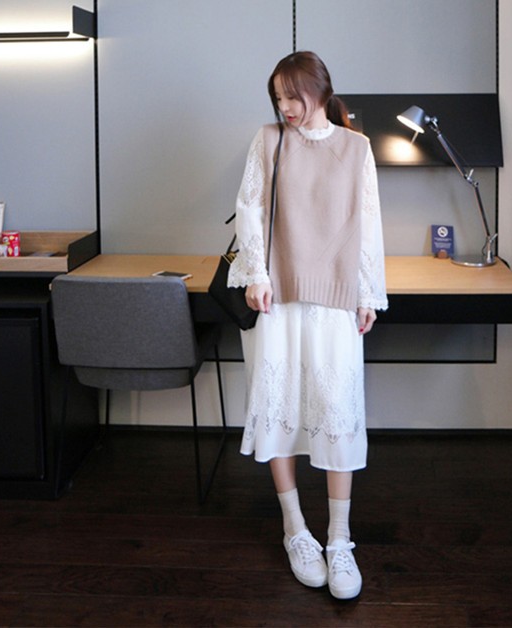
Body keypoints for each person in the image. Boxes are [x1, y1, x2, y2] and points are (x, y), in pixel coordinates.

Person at [227, 50, 388, 600]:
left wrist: (368, 292)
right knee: (280, 412)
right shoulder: (269, 140)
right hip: (277, 296)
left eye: (293, 96)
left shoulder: (356, 147)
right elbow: (250, 208)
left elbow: (368, 222)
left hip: (336, 299)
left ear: (320, 90)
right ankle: (295, 530)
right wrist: (256, 273)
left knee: (337, 414)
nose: (285, 107)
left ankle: (339, 539)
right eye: (278, 98)